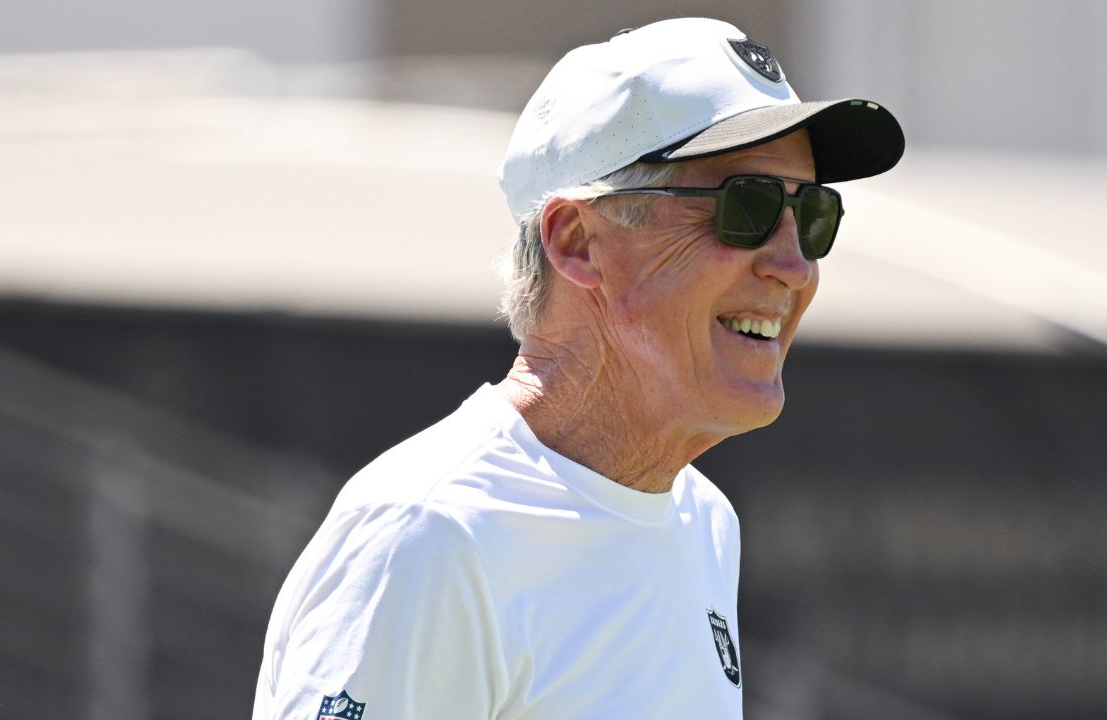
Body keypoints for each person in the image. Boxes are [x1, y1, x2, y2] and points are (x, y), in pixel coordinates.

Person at [253, 17, 903, 720]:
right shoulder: (431, 534)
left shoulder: (705, 523)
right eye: (745, 206)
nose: (795, 266)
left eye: (812, 214)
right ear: (577, 241)